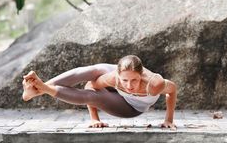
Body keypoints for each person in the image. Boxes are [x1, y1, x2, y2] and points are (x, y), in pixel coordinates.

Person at [22, 55, 177, 129]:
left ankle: (43, 88)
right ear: (118, 75)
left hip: (130, 107)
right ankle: (37, 89)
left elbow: (173, 89)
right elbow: (91, 85)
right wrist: (94, 118)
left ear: (141, 75)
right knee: (96, 70)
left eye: (134, 80)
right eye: (125, 80)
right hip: (113, 86)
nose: (129, 85)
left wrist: (168, 120)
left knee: (93, 97)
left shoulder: (154, 84)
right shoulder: (113, 78)